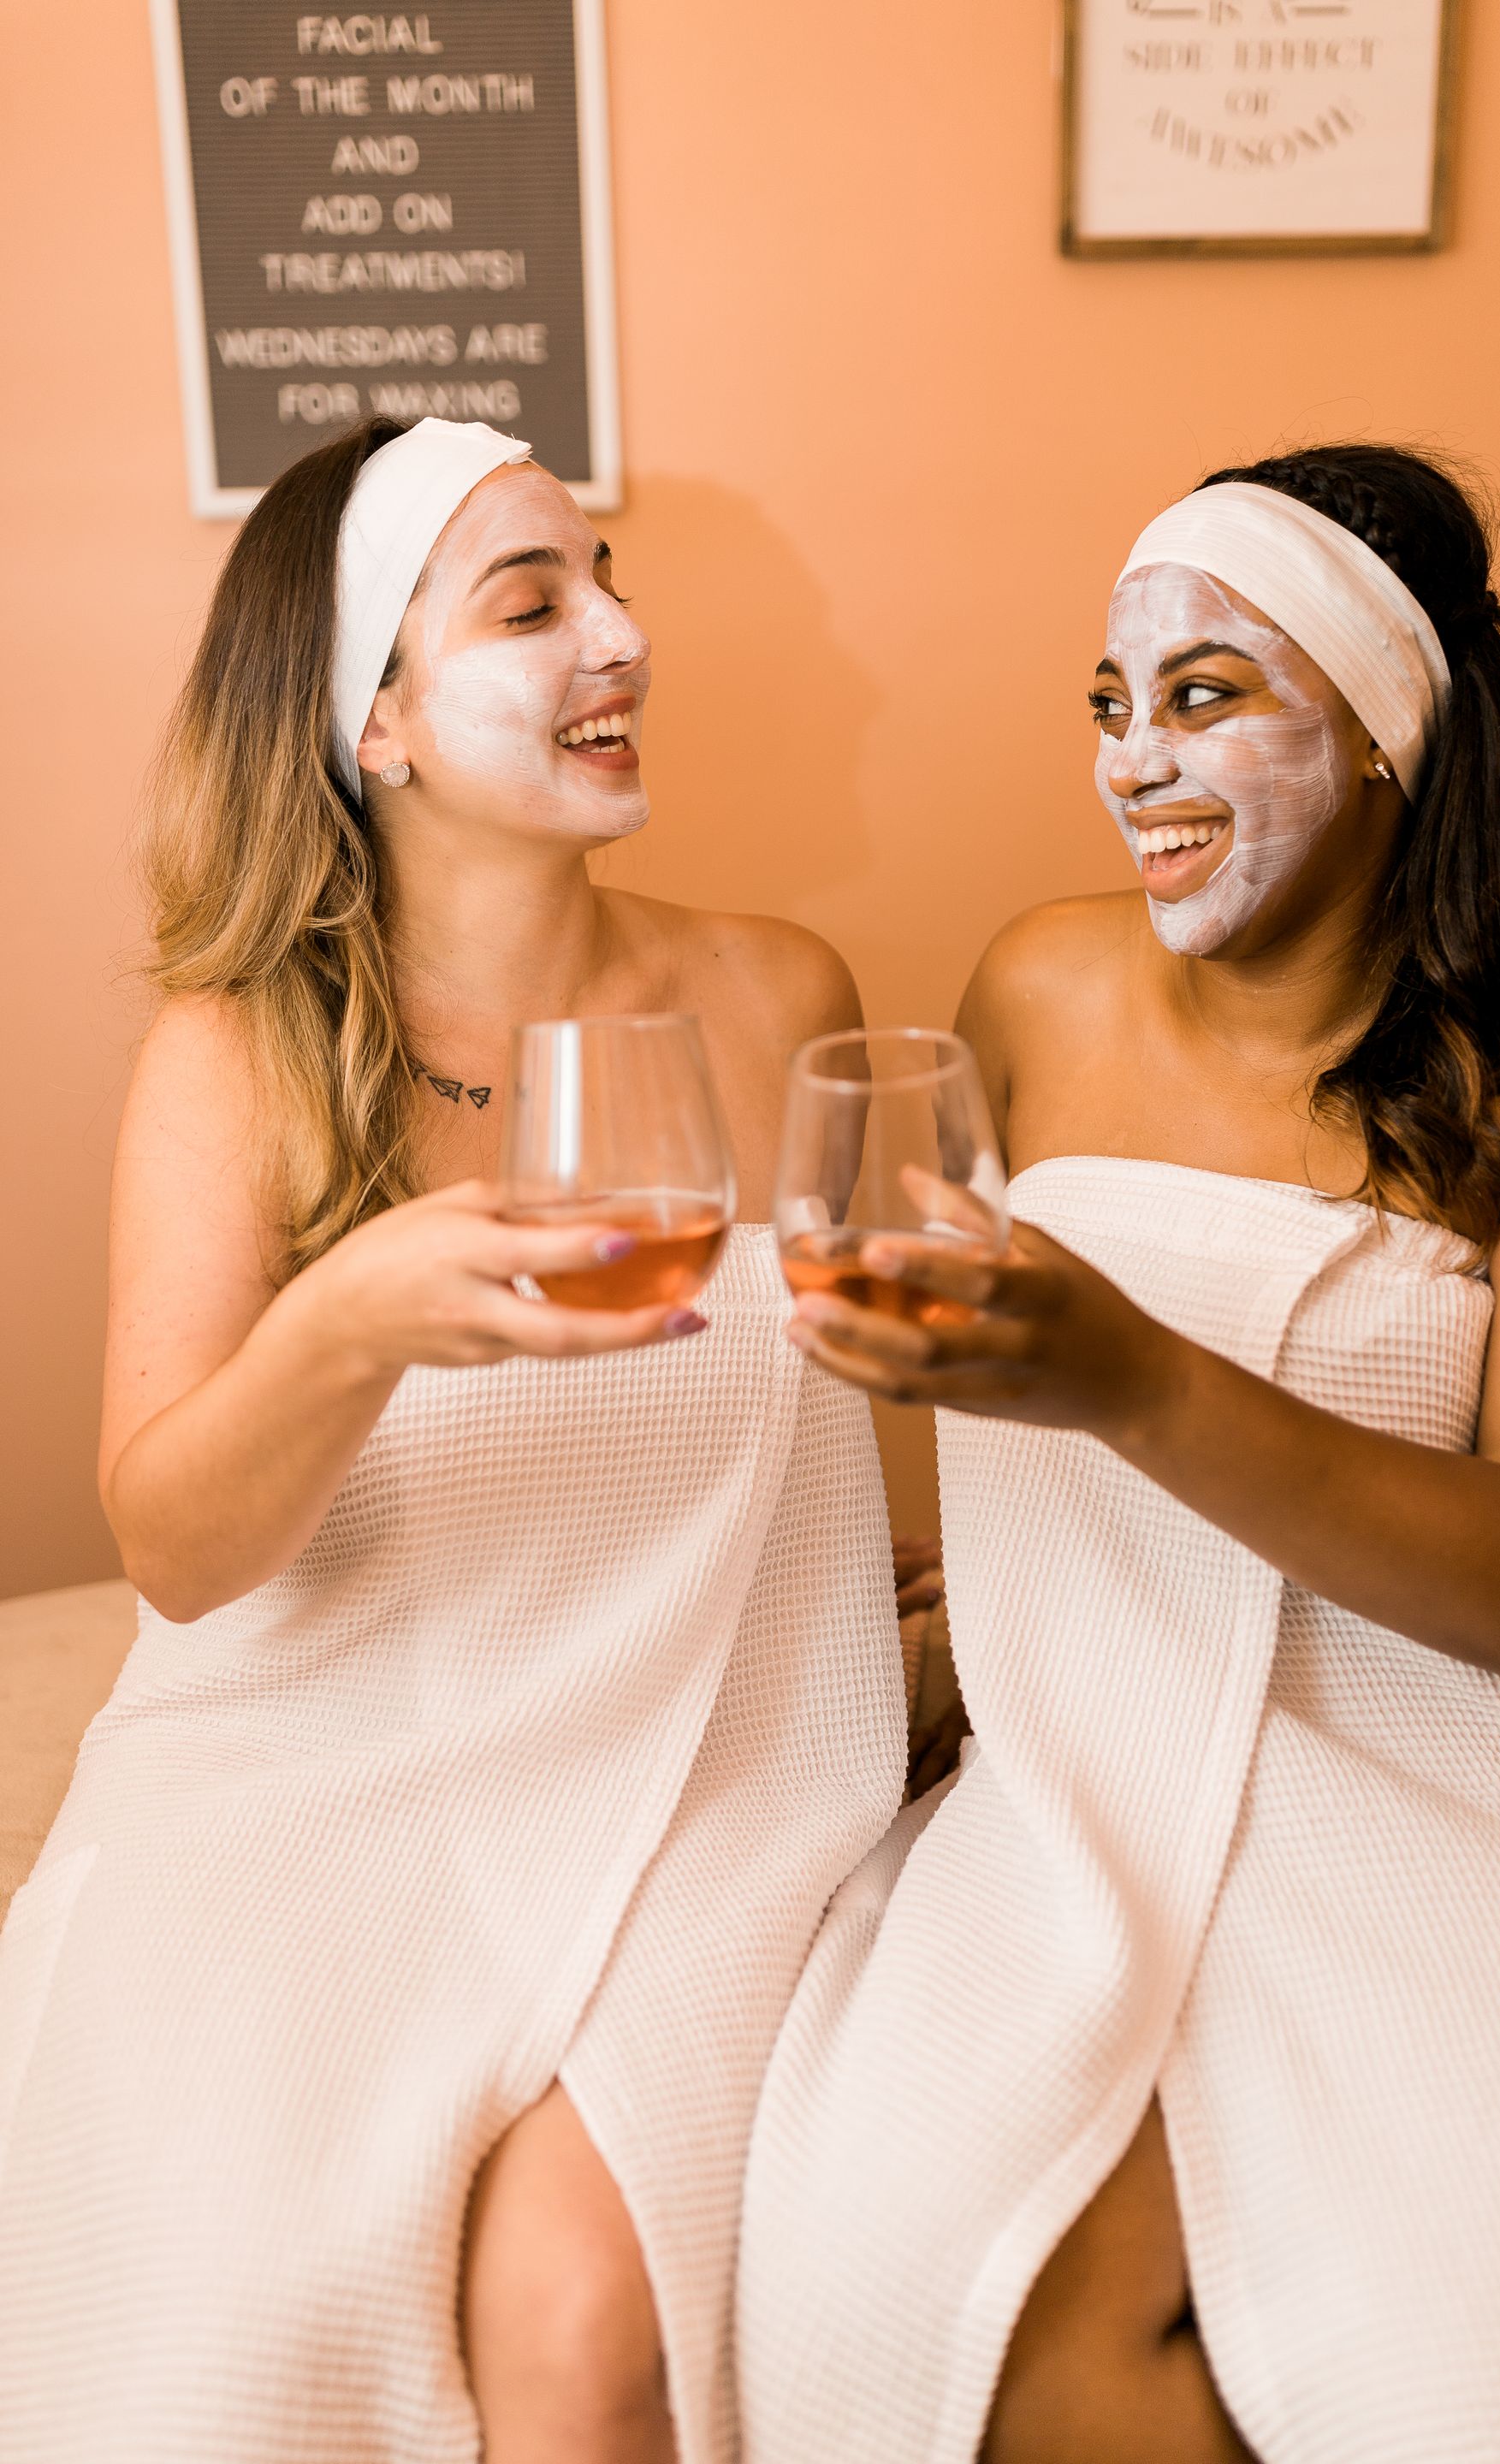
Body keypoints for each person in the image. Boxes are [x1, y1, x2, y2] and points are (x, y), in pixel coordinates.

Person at [0, 417, 908, 2464]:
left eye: (607, 578)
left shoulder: (777, 997)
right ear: (380, 722)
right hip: (320, 1773)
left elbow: (850, 1408)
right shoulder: (238, 1054)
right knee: (217, 2320)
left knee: (582, 2328)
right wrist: (354, 1315)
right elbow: (175, 1547)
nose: (620, 635)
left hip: (708, 1786)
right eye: (533, 603)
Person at [738, 445, 1500, 2464]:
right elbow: (944, 1370)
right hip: (1081, 1791)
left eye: (1211, 695)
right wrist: (954, 1594)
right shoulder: (1039, 984)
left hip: (1453, 1808)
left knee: (1467, 2391)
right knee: (944, 2329)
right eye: (1109, 705)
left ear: (1393, 729)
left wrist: (1127, 1379)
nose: (1135, 759)